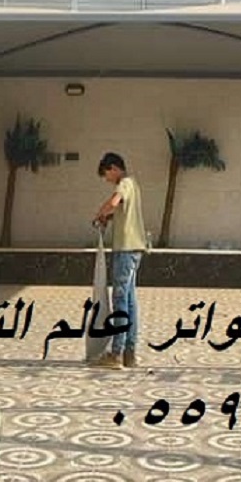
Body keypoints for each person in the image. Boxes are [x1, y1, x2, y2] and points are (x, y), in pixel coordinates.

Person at [91, 151, 147, 369]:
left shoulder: (124, 183)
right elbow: (123, 212)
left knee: (120, 300)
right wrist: (110, 217)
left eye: (107, 175)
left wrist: (100, 214)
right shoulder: (134, 184)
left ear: (114, 168)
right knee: (130, 301)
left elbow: (114, 202)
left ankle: (116, 353)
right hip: (135, 249)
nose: (108, 180)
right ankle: (129, 354)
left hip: (125, 250)